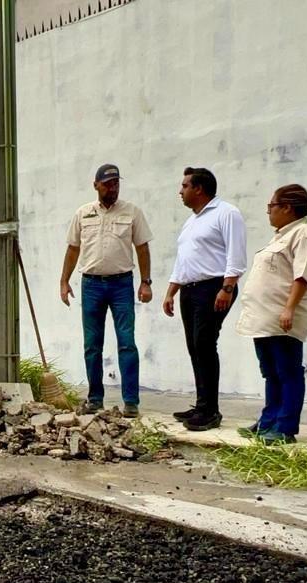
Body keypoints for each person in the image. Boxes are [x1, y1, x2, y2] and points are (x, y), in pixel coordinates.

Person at [59, 163, 154, 417]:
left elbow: (142, 248)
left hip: (121, 284)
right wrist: (64, 281)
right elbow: (73, 249)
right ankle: (95, 398)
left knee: (126, 343)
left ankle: (131, 402)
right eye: (108, 184)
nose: (113, 188)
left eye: (116, 183)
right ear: (96, 185)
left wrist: (146, 282)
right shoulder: (83, 214)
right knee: (92, 345)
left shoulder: (132, 212)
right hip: (91, 285)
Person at [235, 184, 307, 444]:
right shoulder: (282, 235)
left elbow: (303, 276)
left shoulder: (305, 234)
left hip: (283, 318)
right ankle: (268, 421)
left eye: (271, 207)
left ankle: (285, 427)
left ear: (287, 208)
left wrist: (289, 308)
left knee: (288, 372)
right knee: (271, 372)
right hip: (264, 319)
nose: (269, 213)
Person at [161, 167, 247, 431]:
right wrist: (171, 290)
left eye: (185, 186)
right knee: (195, 347)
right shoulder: (192, 221)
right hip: (190, 288)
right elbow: (185, 259)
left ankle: (210, 411)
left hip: (214, 287)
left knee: (205, 344)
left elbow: (236, 253)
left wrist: (228, 287)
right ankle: (201, 404)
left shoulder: (226, 213)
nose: (180, 191)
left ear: (199, 188)